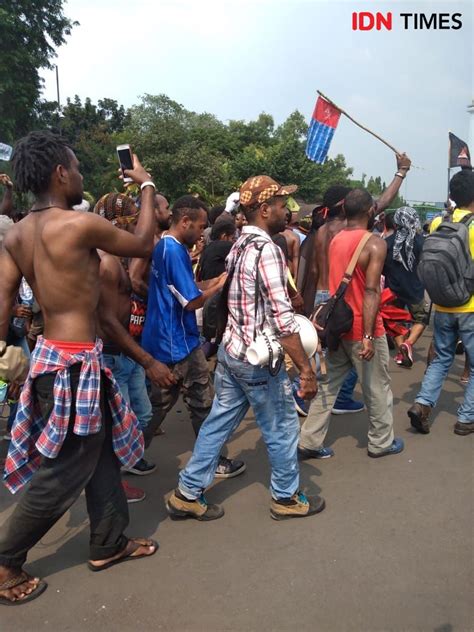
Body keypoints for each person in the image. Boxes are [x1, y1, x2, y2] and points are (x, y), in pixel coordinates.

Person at [0, 131, 158, 605]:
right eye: (77, 166)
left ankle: (108, 541)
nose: (83, 175)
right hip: (73, 366)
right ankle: (5, 559)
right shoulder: (78, 224)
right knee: (64, 470)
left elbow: (4, 301)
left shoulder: (16, 233)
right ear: (61, 173)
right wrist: (146, 185)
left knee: (101, 451)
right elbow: (143, 243)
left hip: (54, 358)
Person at [166, 175, 325, 521]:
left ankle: (187, 492)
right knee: (282, 427)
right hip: (257, 361)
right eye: (282, 205)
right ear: (265, 209)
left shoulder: (239, 243)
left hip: (232, 353)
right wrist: (307, 370)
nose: (287, 211)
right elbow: (283, 320)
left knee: (217, 423)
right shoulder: (268, 250)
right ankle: (285, 498)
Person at [141, 195, 244, 478]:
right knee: (204, 403)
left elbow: (184, 287)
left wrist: (211, 282)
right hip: (179, 341)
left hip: (165, 339)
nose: (202, 233)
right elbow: (191, 301)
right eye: (199, 227)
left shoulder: (166, 246)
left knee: (158, 405)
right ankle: (213, 460)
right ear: (184, 222)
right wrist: (218, 287)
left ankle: (130, 453)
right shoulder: (174, 251)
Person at [299, 188, 404, 459]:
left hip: (337, 325)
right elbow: (371, 291)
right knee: (377, 386)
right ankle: (381, 442)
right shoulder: (374, 244)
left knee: (328, 386)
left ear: (344, 211)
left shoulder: (336, 238)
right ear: (371, 211)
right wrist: (369, 336)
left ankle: (309, 440)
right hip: (361, 327)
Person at [94, 193, 176, 497]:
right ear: (119, 224)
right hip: (116, 355)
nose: (137, 229)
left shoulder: (115, 260)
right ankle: (112, 484)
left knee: (139, 417)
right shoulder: (104, 264)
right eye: (133, 220)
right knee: (121, 423)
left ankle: (121, 467)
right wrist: (146, 359)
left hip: (128, 354)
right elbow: (108, 322)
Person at [408, 170, 473, 435]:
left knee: (441, 360)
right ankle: (466, 418)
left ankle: (422, 404)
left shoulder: (438, 222)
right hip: (470, 307)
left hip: (442, 305)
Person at [382, 206, 428, 367]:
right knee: (421, 319)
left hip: (392, 291)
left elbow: (381, 270)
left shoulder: (386, 243)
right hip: (415, 290)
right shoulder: (422, 242)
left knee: (395, 321)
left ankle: (402, 352)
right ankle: (408, 343)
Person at [281, 210, 300, 279]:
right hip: (290, 271)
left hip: (277, 269)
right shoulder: (294, 236)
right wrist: (296, 276)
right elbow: (296, 257)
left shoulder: (272, 234)